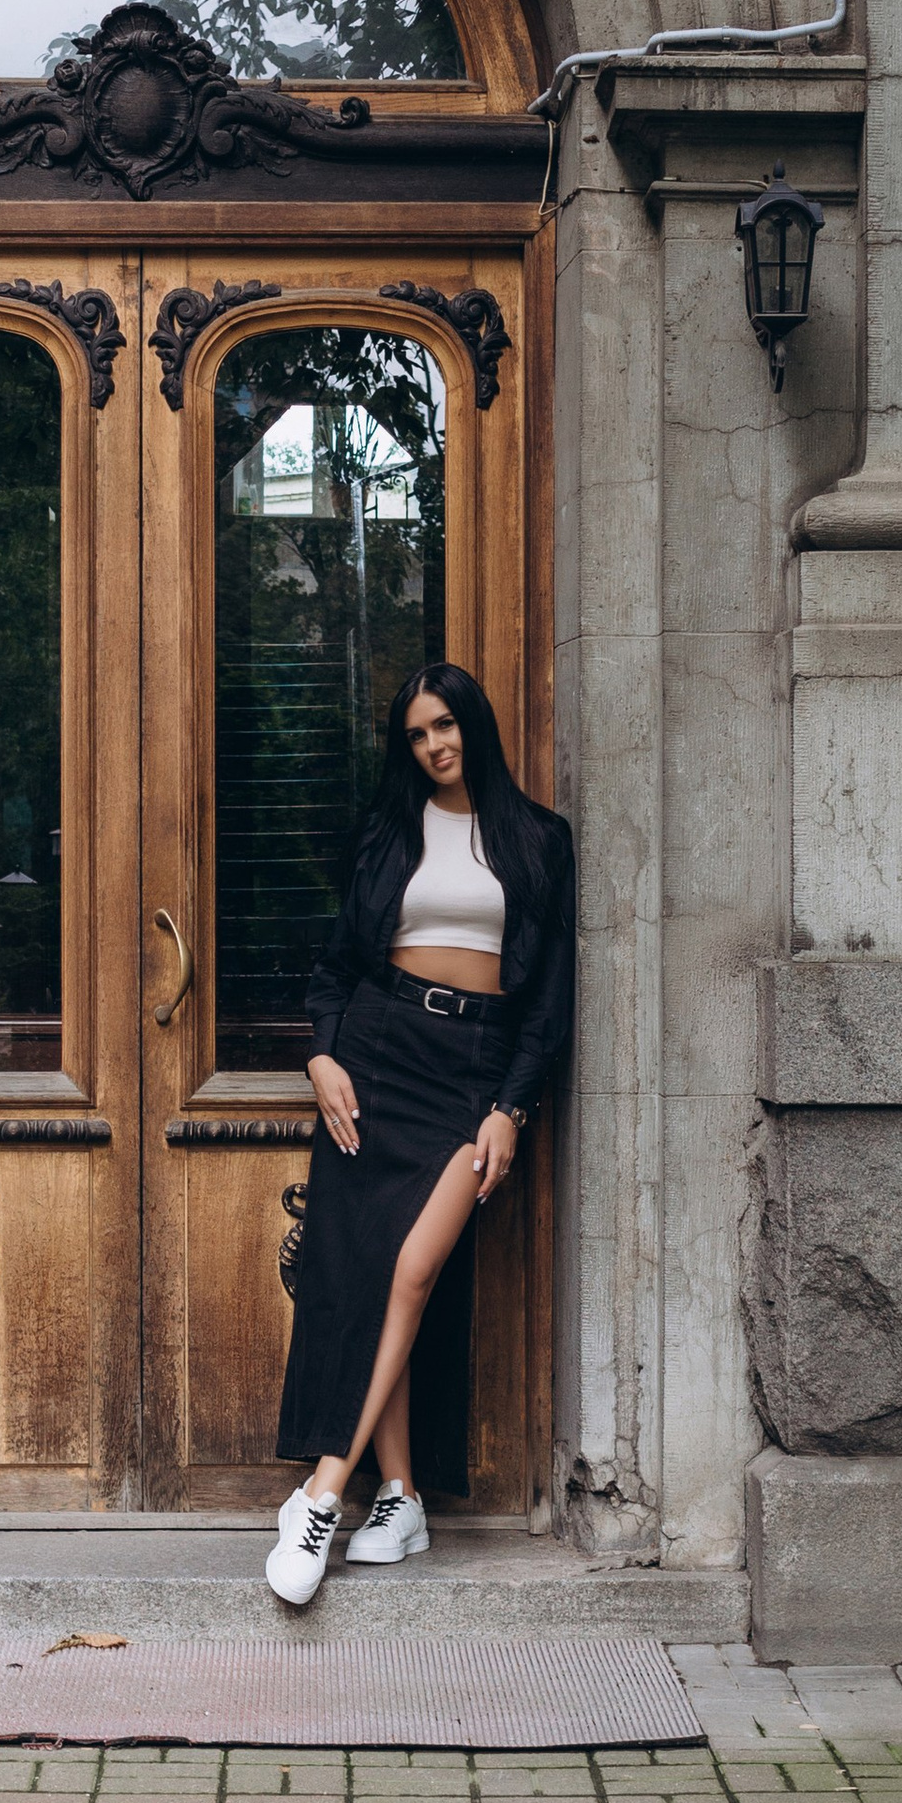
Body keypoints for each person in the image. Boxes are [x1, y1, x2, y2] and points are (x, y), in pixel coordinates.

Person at [265, 661, 575, 1606]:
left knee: (411, 1270)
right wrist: (322, 1056)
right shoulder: (387, 833)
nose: (435, 745)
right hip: (377, 1052)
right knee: (367, 1274)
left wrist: (511, 1108)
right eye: (417, 734)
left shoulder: (537, 840)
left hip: (473, 1068)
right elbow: (335, 967)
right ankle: (395, 1498)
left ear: (474, 724)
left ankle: (322, 1494)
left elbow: (549, 1002)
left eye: (446, 725)